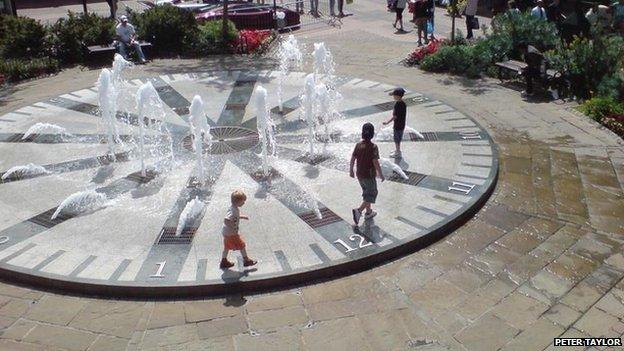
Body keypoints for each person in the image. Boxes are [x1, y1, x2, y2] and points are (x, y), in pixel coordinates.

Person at [350, 123, 384, 226]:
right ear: (372, 134)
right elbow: (375, 162)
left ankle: (368, 212)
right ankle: (359, 211)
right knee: (372, 193)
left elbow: (352, 158)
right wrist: (381, 174)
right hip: (368, 175)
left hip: (360, 174)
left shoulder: (358, 145)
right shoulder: (373, 147)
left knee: (366, 192)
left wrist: (351, 170)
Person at [220, 190, 257, 269]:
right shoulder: (233, 210)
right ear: (237, 202)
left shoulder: (234, 208)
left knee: (226, 247)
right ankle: (246, 260)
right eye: (243, 201)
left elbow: (235, 217)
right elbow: (226, 220)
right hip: (231, 233)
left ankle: (223, 261)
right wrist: (232, 226)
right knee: (242, 245)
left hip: (226, 233)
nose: (244, 203)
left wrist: (242, 217)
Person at [383, 88, 407, 158]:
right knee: (398, 138)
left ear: (398, 96)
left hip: (398, 125)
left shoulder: (398, 105)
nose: (393, 96)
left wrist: (387, 122)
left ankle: (398, 152)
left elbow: (395, 116)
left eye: (394, 95)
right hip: (401, 124)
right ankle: (397, 150)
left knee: (397, 139)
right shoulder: (402, 103)